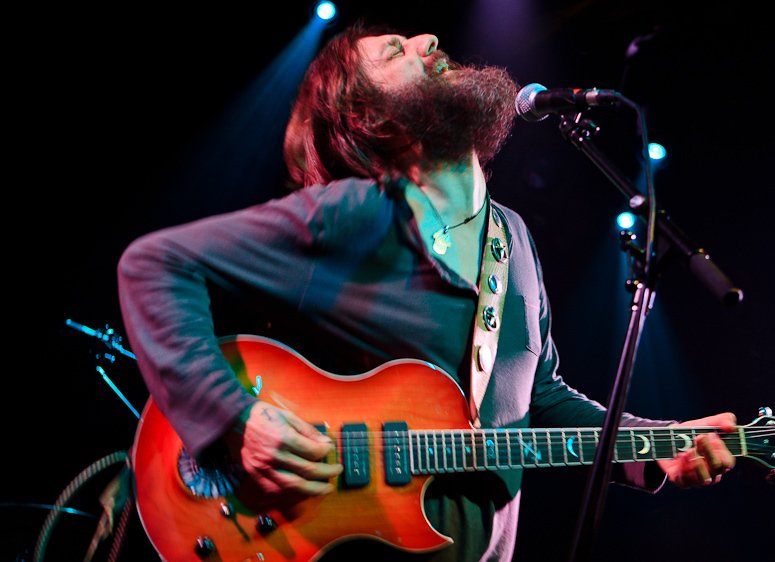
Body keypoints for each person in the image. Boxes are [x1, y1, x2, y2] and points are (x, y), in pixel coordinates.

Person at [116, 20, 737, 562]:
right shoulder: (354, 214)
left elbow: (535, 398)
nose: (428, 39)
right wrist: (235, 417)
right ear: (370, 117)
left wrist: (658, 444)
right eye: (395, 51)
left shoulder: (512, 238)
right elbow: (153, 266)